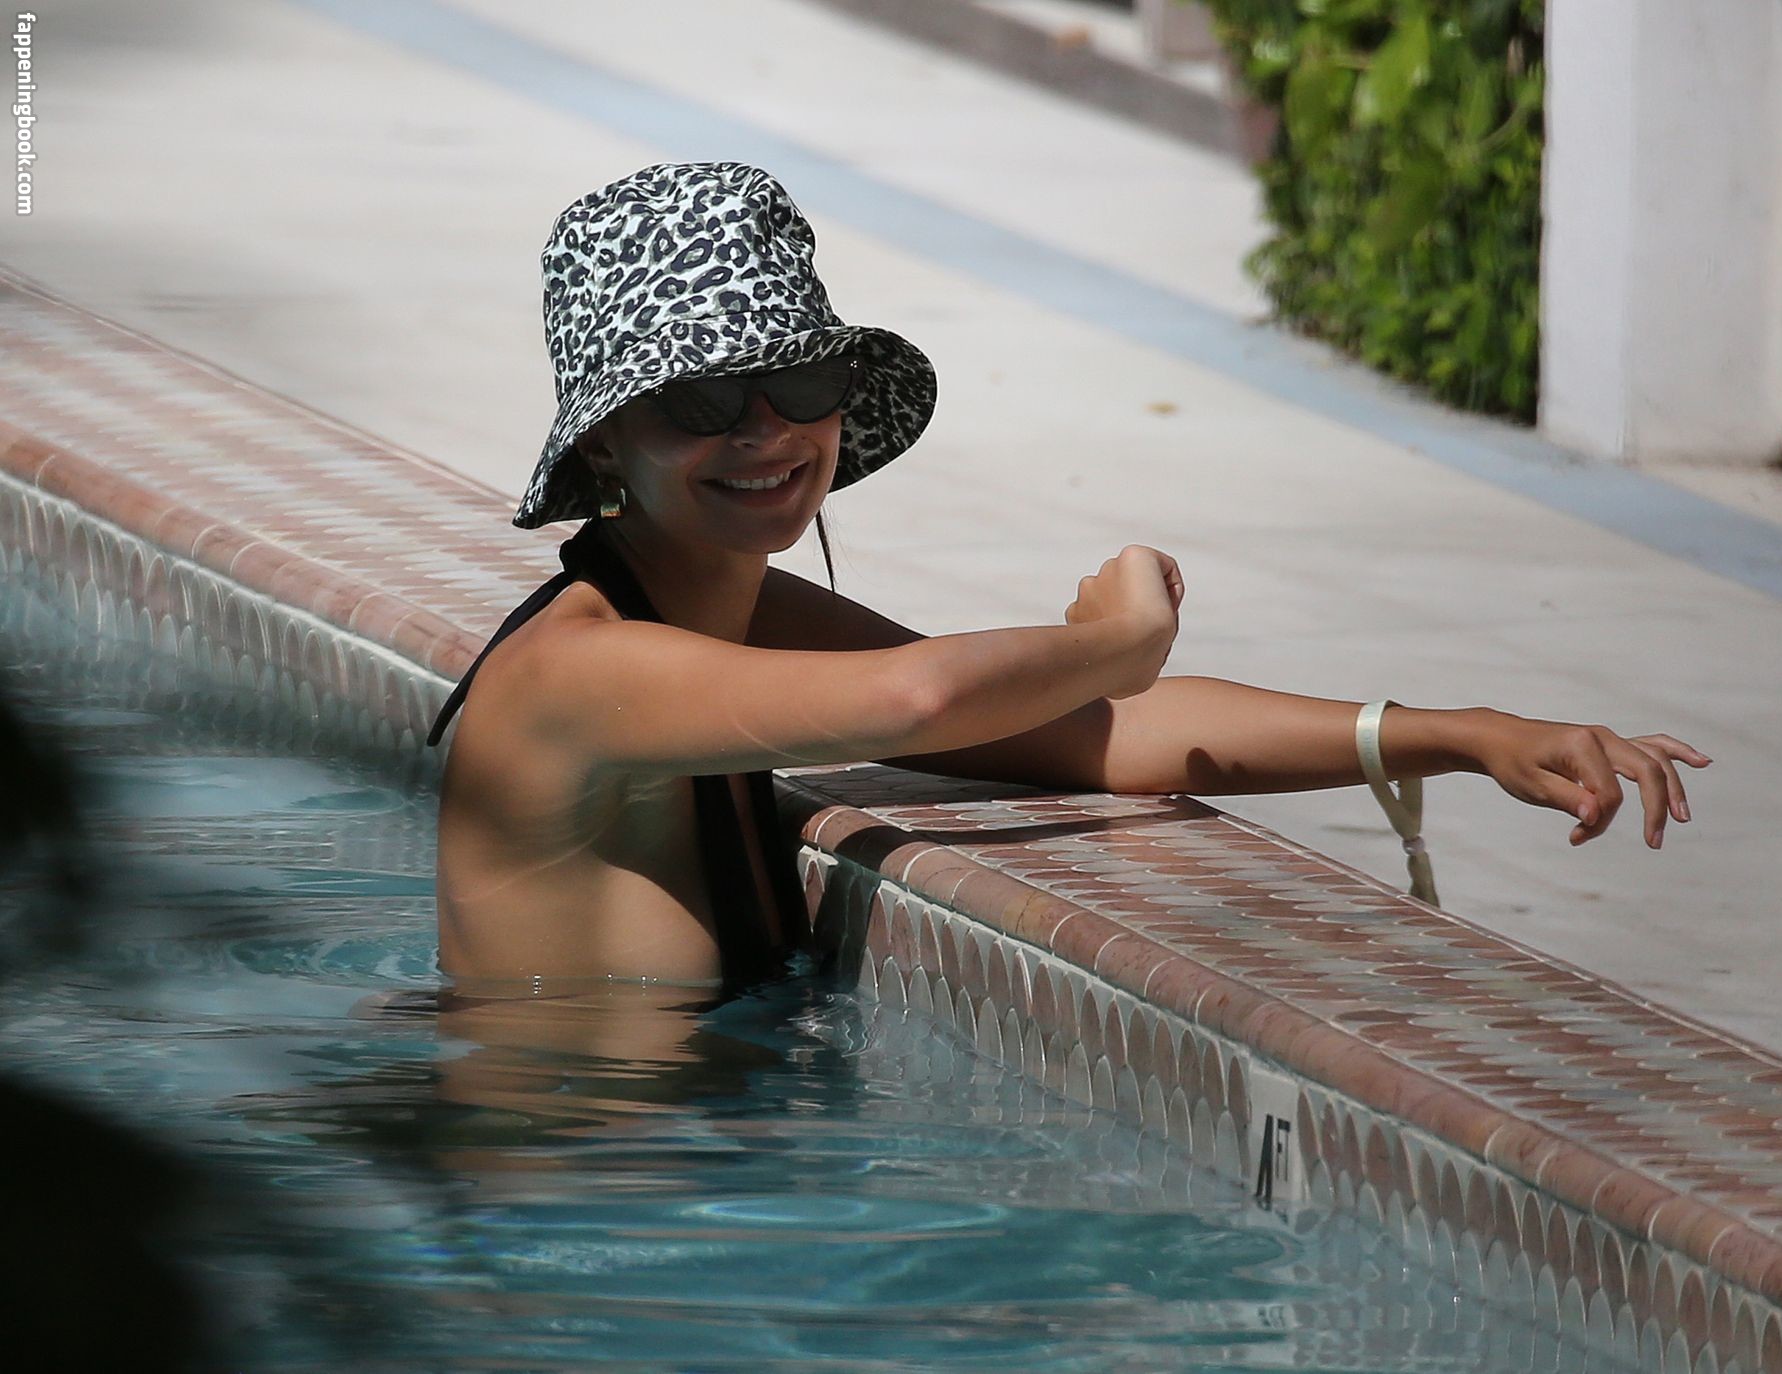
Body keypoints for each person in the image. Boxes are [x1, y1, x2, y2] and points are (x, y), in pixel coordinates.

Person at [430, 161, 1710, 991]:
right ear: (607, 441)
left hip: (680, 1190)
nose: (765, 432)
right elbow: (923, 700)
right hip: (574, 1222)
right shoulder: (575, 672)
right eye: (703, 399)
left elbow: (1097, 733)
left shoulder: (736, 620)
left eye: (801, 378)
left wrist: (1464, 735)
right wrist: (1118, 636)